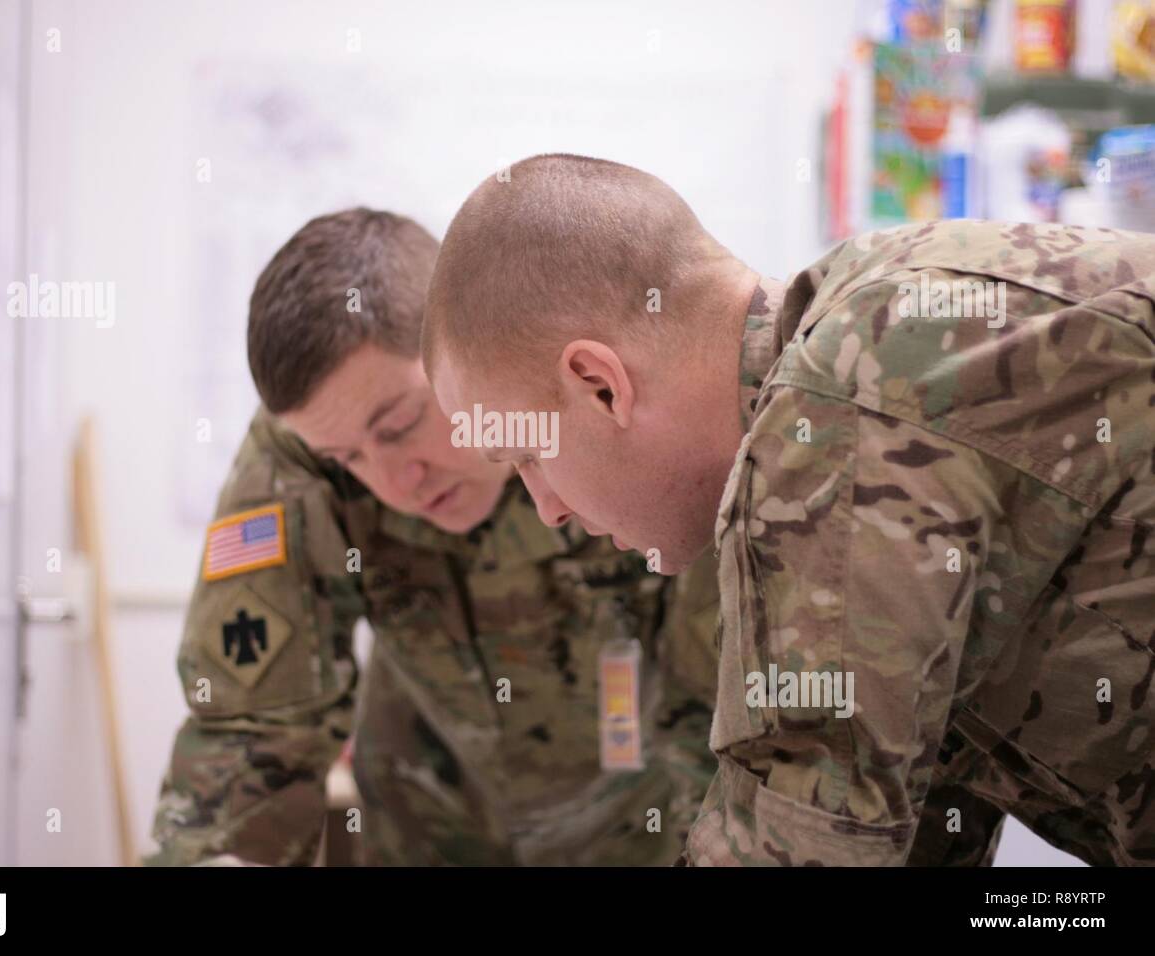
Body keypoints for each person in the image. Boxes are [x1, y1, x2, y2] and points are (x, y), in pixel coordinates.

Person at [422, 154, 1155, 866]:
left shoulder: (833, 411)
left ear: (599, 384)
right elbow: (906, 824)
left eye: (526, 454)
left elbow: (800, 841)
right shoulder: (864, 323)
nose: (544, 508)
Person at [146, 207, 721, 866]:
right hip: (424, 817)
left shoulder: (601, 404)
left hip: (637, 820)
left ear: (461, 348)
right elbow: (252, 727)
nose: (394, 481)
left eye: (399, 425)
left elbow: (715, 707)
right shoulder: (307, 440)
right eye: (349, 460)